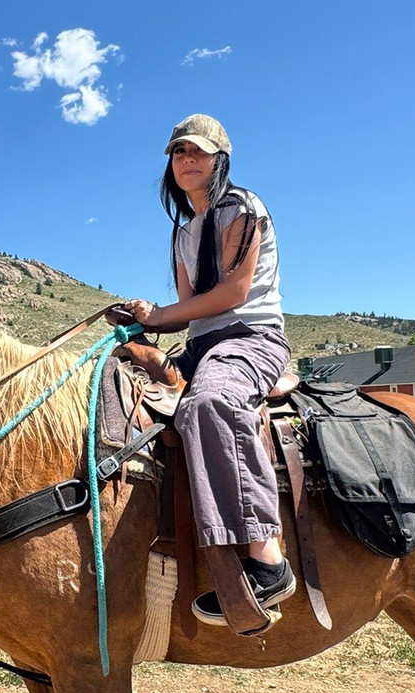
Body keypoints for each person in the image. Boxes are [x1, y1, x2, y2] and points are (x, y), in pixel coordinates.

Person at [122, 113, 295, 626]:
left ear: (220, 160)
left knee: (212, 402)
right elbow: (190, 309)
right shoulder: (181, 233)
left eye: (198, 152)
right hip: (202, 342)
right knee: (117, 385)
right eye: (179, 152)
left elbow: (233, 294)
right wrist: (145, 322)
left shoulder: (243, 207)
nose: (187, 160)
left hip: (250, 338)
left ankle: (267, 561)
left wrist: (159, 316)